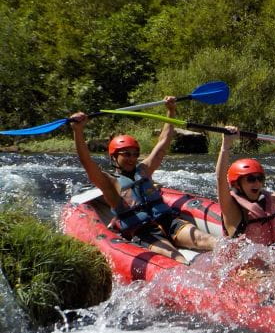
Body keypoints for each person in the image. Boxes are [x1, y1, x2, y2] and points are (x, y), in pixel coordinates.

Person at [69, 96, 217, 264]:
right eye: (126, 154)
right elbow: (87, 162)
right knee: (178, 259)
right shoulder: (109, 182)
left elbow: (163, 143)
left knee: (207, 240)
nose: (132, 158)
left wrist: (171, 111)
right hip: (142, 231)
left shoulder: (144, 170)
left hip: (168, 221)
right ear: (114, 157)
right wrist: (78, 131)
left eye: (135, 154)